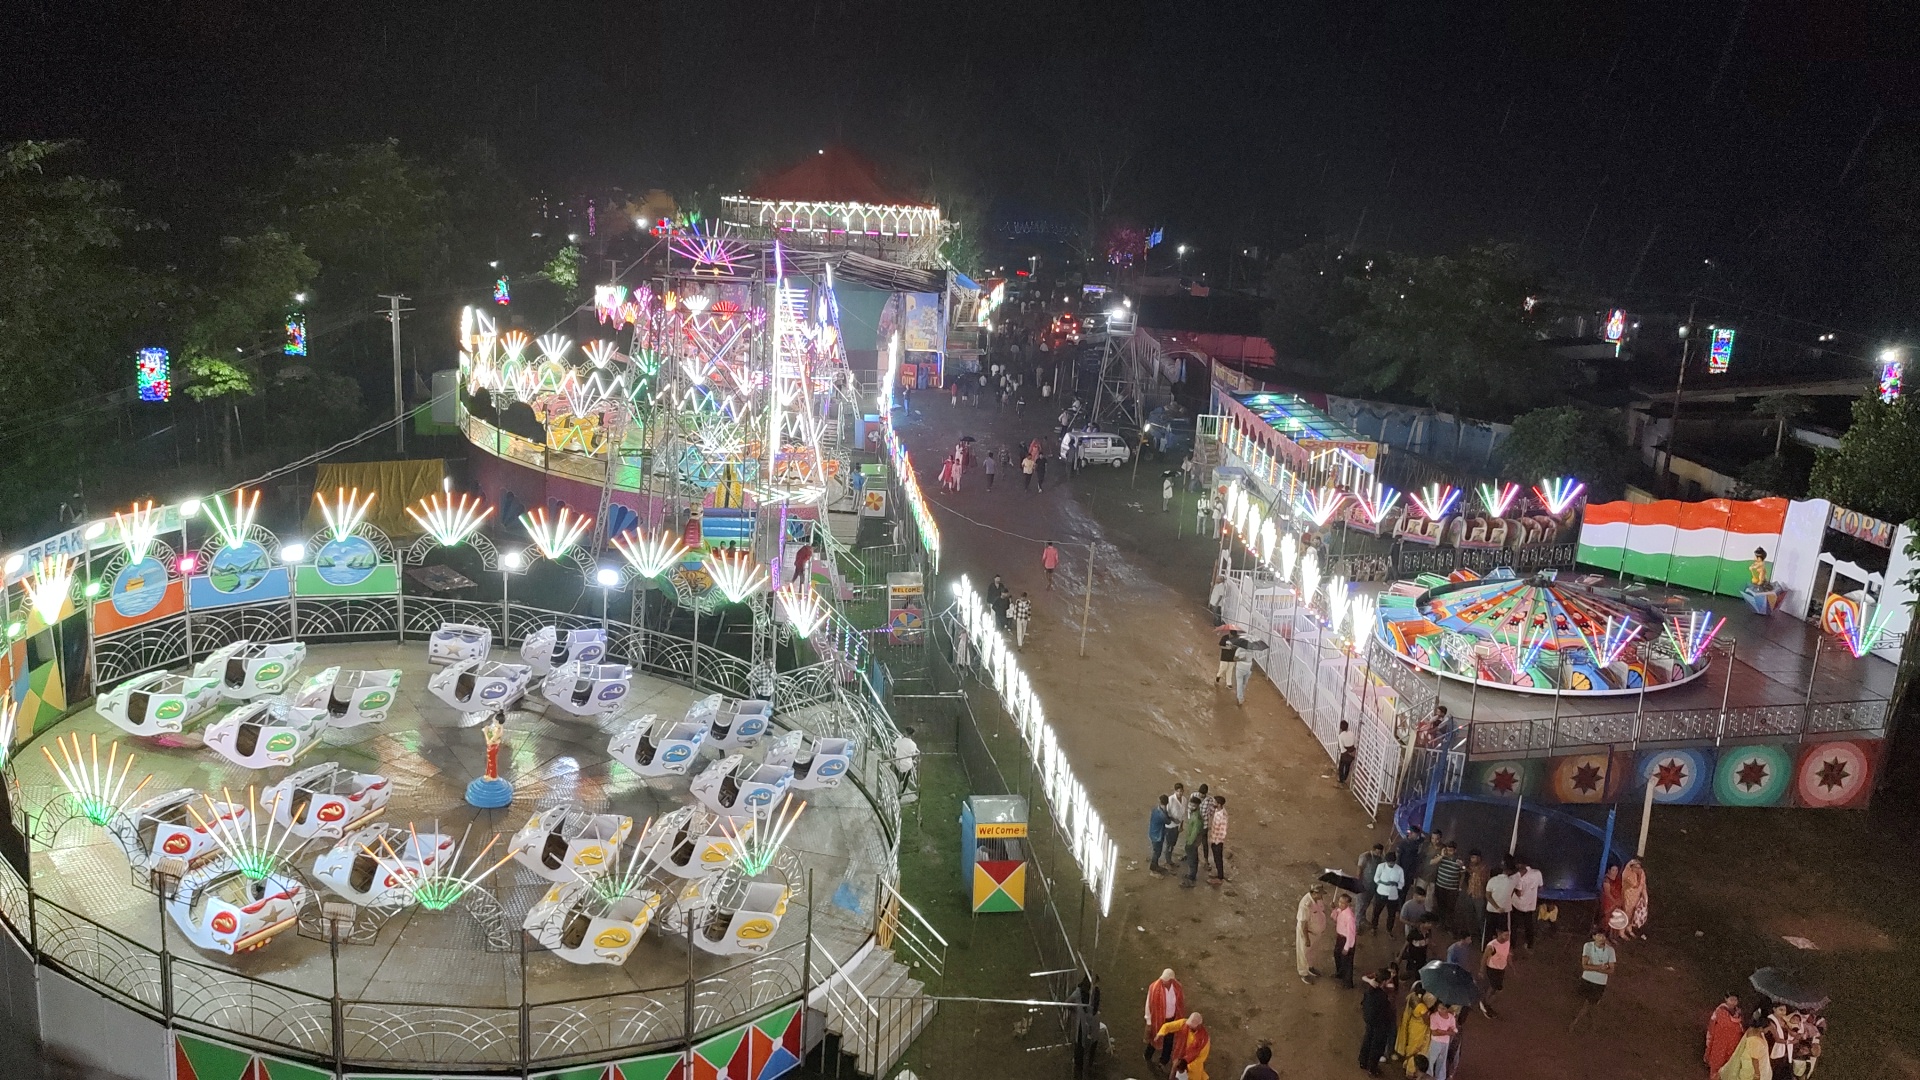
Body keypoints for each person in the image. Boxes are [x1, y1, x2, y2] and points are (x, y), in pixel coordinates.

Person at [1570, 928, 1617, 1031]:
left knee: (1588, 1004)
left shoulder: (1610, 950)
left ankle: (1576, 1023)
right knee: (1588, 1004)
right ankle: (1591, 1025)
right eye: (1599, 936)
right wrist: (1601, 968)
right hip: (1588, 979)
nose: (1601, 938)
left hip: (1598, 982)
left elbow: (1611, 970)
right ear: (1594, 937)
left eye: (1603, 936)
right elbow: (1585, 966)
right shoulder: (1588, 946)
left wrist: (1593, 967)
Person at [1359, 969, 1398, 1075]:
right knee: (1377, 1046)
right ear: (1384, 981)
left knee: (1367, 1040)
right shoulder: (1381, 996)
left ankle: (1363, 1061)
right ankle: (1372, 1068)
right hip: (1379, 1024)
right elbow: (1386, 1011)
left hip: (1369, 1020)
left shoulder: (1370, 990)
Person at [1143, 969, 1186, 1065]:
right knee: (1155, 1038)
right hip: (1158, 1019)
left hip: (1171, 1019)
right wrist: (1149, 1021)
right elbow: (1148, 1005)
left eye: (1166, 981)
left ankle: (1163, 1061)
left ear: (1171, 980)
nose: (1163, 982)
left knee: (1168, 1041)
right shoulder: (1154, 987)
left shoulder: (1177, 987)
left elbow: (1180, 1003)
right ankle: (1147, 1055)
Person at [1155, 1012, 1210, 1080]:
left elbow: (1201, 1058)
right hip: (1180, 1061)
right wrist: (1161, 1033)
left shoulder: (1204, 1040)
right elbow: (1168, 1026)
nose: (1189, 1028)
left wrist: (1185, 1065)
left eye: (1192, 1027)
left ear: (1199, 1026)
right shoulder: (1184, 1024)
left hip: (1192, 1069)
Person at [1295, 884, 1328, 982]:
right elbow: (1303, 924)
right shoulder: (1306, 904)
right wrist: (1306, 938)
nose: (1321, 896)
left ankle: (1310, 967)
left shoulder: (1318, 900)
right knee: (1303, 953)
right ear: (1314, 893)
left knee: (1312, 951)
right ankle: (1303, 973)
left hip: (1316, 933)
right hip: (1308, 933)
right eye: (1320, 894)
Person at [1706, 993, 1745, 1076]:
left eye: (1735, 1000)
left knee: (1729, 1057)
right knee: (1718, 1057)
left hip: (1732, 1040)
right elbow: (1726, 1023)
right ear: (1726, 999)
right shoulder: (1721, 1010)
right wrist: (1737, 1025)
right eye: (1731, 1000)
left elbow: (1740, 1025)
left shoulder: (1738, 1011)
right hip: (1721, 1039)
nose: (1733, 1002)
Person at [1395, 991, 1433, 1075]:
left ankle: (1407, 1064)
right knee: (1416, 1049)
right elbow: (1427, 1022)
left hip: (1413, 1026)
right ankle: (1411, 1070)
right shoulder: (1422, 1008)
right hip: (1419, 1030)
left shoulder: (1413, 999)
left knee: (1410, 1048)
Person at [1510, 856, 1544, 950]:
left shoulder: (1519, 878)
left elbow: (1519, 893)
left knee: (1514, 925)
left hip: (1517, 904)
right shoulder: (1537, 873)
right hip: (1530, 905)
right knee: (1529, 924)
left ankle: (1512, 944)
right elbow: (1541, 888)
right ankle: (1530, 944)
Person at [1431, 844, 1465, 931]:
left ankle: (1448, 926)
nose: (1449, 852)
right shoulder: (1442, 857)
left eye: (1451, 850)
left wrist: (1459, 887)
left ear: (1455, 851)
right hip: (1440, 886)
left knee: (1450, 908)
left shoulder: (1459, 861)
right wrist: (1442, 855)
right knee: (1441, 906)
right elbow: (1432, 862)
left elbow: (1462, 874)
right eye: (1448, 850)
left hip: (1452, 889)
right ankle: (1441, 923)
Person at [1370, 853, 1406, 932]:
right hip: (1381, 892)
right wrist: (1382, 882)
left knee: (1391, 914)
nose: (1391, 864)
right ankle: (1374, 927)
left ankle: (1389, 929)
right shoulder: (1381, 866)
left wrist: (1396, 884)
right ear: (1386, 861)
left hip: (1393, 895)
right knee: (1377, 911)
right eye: (1389, 863)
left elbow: (1402, 883)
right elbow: (1376, 878)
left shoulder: (1399, 870)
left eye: (1392, 863)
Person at [1479, 927, 1510, 1018]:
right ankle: (1485, 1005)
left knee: (1495, 989)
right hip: (1493, 969)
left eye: (1508, 934)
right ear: (1499, 934)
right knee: (1494, 988)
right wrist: (1481, 971)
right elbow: (1484, 959)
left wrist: (1511, 966)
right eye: (1505, 934)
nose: (1507, 937)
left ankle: (1485, 1002)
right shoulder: (1491, 946)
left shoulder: (1507, 942)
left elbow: (1507, 954)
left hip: (1501, 969)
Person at [1179, 793, 1206, 888]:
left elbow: (1194, 833)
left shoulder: (1197, 818)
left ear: (1197, 806)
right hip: (1192, 841)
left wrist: (1189, 843)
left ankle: (1191, 878)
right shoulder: (1195, 814)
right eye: (1190, 804)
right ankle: (1191, 874)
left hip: (1192, 842)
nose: (1190, 806)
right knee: (1192, 858)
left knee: (1192, 859)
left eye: (1193, 805)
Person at [1333, 892, 1359, 987]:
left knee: (1347, 961)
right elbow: (1334, 918)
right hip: (1340, 937)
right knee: (1337, 955)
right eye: (1339, 902)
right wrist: (1334, 909)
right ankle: (1340, 973)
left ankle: (1348, 983)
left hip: (1347, 940)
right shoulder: (1340, 910)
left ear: (1348, 904)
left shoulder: (1350, 917)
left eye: (1343, 903)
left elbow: (1351, 934)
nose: (1340, 904)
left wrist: (1347, 947)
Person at [1483, 859, 1513, 942]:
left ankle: (1487, 949)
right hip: (1504, 911)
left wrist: (1496, 907)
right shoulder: (1511, 882)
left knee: (1488, 932)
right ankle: (1502, 949)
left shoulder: (1491, 881)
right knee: (1503, 932)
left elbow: (1488, 896)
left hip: (1491, 910)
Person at [1620, 857, 1649, 940]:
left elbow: (1643, 885)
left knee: (1633, 913)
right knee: (1626, 913)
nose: (1638, 869)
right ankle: (1621, 932)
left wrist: (1645, 897)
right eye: (1636, 867)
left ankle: (1629, 929)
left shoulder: (1641, 873)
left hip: (1636, 896)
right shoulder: (1627, 873)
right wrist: (1639, 875)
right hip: (1628, 896)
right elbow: (1635, 884)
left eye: (1639, 867)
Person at [1425, 1004, 1457, 1080]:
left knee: (1442, 1062)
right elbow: (1434, 1033)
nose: (1440, 1010)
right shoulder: (1434, 1016)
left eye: (1443, 1008)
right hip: (1435, 1042)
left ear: (1447, 1009)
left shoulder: (1451, 1017)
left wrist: (1441, 1031)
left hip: (1445, 1043)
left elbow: (1454, 1030)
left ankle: (1440, 1078)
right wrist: (1447, 1032)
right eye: (1439, 1007)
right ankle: (1429, 1077)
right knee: (1430, 1061)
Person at [1765, 1004, 1794, 1080]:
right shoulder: (1770, 1021)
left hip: (1785, 1054)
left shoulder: (1784, 1020)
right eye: (1781, 1010)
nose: (1783, 1013)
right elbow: (1776, 1038)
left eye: (1784, 1010)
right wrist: (1790, 1042)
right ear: (1774, 1009)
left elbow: (1791, 1032)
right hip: (1773, 1051)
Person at [1596, 865, 1625, 936]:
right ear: (1609, 870)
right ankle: (1602, 935)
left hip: (1617, 902)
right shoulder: (1606, 880)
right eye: (1613, 870)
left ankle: (1611, 936)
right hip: (1608, 902)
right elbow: (1607, 893)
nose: (1615, 872)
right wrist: (1615, 902)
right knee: (1606, 919)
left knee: (1614, 920)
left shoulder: (1617, 878)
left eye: (1616, 870)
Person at [1164, 783, 1188, 871]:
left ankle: (1169, 860)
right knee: (1169, 844)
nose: (1180, 793)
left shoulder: (1184, 800)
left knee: (1173, 843)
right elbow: (1166, 813)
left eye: (1181, 791)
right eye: (1178, 791)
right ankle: (1167, 861)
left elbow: (1183, 814)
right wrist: (1174, 820)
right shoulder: (1170, 800)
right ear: (1175, 791)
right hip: (1170, 826)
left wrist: (1181, 825)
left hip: (1177, 826)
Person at [1207, 795, 1230, 883]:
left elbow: (1223, 831)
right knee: (1216, 858)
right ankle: (1219, 873)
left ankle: (1220, 878)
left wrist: (1217, 841)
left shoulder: (1223, 815)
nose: (1213, 803)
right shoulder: (1217, 810)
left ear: (1219, 804)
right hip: (1214, 838)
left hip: (1218, 841)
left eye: (1215, 802)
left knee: (1218, 858)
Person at [1148, 795, 1172, 875]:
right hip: (1157, 836)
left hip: (1154, 833)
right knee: (1157, 852)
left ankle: (1156, 866)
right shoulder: (1162, 814)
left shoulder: (1155, 809)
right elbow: (1168, 821)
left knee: (1157, 851)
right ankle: (1153, 868)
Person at [1337, 720, 1359, 786]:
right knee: (1347, 766)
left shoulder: (1340, 736)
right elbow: (1355, 743)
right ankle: (1345, 778)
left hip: (1345, 754)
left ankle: (1341, 780)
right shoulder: (1352, 733)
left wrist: (1345, 753)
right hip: (1352, 754)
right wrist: (1352, 751)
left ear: (1341, 728)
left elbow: (1342, 747)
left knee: (1341, 767)